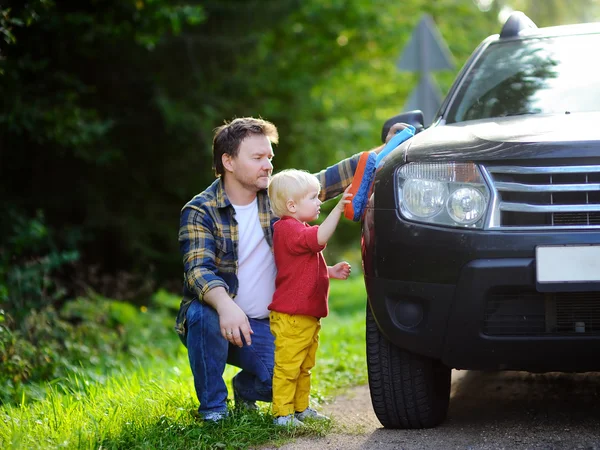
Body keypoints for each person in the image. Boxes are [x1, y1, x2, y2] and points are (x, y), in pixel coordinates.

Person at [175, 117, 408, 422]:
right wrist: (226, 305)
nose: (268, 165)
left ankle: (245, 387)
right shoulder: (200, 210)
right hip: (219, 320)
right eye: (258, 158)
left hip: (269, 324)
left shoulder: (277, 198)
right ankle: (213, 411)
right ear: (228, 161)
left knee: (287, 375)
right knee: (201, 314)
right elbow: (198, 272)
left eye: (269, 157)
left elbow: (330, 178)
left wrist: (388, 145)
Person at [267, 169, 352, 426]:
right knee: (288, 367)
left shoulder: (298, 229)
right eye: (314, 198)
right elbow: (319, 238)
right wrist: (337, 210)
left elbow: (302, 268)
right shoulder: (287, 228)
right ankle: (282, 414)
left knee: (304, 366)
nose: (319, 203)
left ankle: (300, 408)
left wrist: (330, 272)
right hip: (292, 316)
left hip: (306, 316)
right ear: (292, 205)